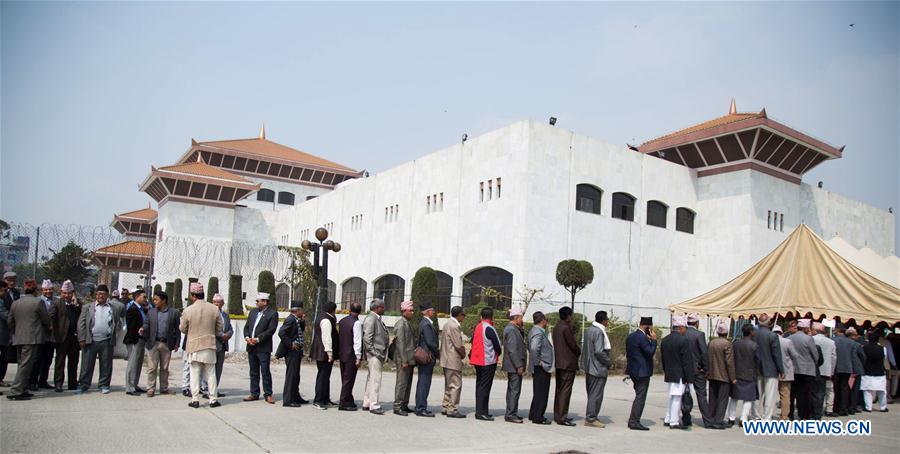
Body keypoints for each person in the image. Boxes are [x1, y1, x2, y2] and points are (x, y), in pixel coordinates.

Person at [5, 279, 51, 400]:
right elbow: (46, 320)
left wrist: (16, 331)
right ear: (36, 290)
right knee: (26, 365)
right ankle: (16, 390)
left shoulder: (16, 303)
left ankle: (23, 388)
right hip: (32, 338)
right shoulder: (38, 302)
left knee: (22, 364)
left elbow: (10, 321)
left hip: (19, 337)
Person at [179, 282, 223, 408]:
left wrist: (192, 331)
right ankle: (213, 399)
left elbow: (182, 328)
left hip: (194, 345)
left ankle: (195, 399)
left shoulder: (188, 310)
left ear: (193, 295)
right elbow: (219, 328)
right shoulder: (214, 309)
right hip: (209, 345)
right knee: (211, 373)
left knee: (194, 372)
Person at [76, 284, 124, 394]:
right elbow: (81, 324)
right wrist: (82, 338)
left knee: (106, 364)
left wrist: (114, 334)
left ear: (107, 295)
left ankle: (104, 384)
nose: (100, 296)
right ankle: (84, 384)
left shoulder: (113, 308)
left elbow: (117, 323)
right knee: (86, 365)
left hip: (106, 340)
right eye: (98, 294)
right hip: (90, 340)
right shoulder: (87, 307)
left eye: (103, 294)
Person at [142, 290, 180, 397]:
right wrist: (142, 329)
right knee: (152, 368)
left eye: (156, 299)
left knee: (164, 368)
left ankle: (164, 388)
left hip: (166, 344)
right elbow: (146, 324)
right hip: (153, 343)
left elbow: (177, 329)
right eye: (154, 299)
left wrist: (177, 343)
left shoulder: (173, 313)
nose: (154, 301)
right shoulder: (151, 312)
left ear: (164, 300)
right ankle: (150, 388)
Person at [243, 293, 278, 404]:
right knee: (253, 371)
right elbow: (247, 326)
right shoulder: (253, 312)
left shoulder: (272, 314)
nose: (256, 303)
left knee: (265, 371)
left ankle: (268, 394)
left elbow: (271, 330)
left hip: (263, 347)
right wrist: (247, 337)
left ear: (265, 302)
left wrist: (258, 339)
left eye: (258, 301)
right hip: (251, 346)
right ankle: (254, 393)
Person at [470, 306, 502, 421]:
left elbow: (472, 342)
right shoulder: (489, 328)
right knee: (485, 388)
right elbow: (497, 346)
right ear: (492, 316)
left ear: (481, 316)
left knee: (479, 386)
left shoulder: (478, 326)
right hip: (487, 361)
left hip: (477, 360)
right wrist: (498, 353)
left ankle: (481, 411)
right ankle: (481, 412)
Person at [625, 316, 657, 431]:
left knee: (638, 395)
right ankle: (634, 421)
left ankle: (633, 420)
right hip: (642, 372)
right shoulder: (642, 338)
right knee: (640, 397)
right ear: (648, 327)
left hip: (633, 370)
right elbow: (649, 352)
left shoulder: (631, 337)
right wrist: (653, 340)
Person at [661, 315, 693, 430]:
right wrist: (689, 378)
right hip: (679, 373)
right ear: (680, 327)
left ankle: (668, 418)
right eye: (685, 327)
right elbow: (686, 361)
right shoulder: (683, 340)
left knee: (672, 396)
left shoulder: (665, 340)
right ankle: (674, 421)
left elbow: (663, 359)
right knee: (677, 398)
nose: (685, 330)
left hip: (669, 372)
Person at [50, 280, 81, 392]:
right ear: (61, 293)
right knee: (60, 361)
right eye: (64, 293)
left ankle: (73, 383)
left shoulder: (77, 304)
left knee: (73, 362)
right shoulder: (57, 303)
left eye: (69, 293)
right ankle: (58, 383)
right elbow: (52, 317)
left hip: (74, 338)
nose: (67, 295)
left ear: (73, 293)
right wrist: (54, 333)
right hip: (61, 337)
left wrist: (76, 303)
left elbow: (81, 315)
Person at [751, 314, 784, 421]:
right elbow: (776, 354)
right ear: (769, 323)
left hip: (756, 368)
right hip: (771, 369)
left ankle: (756, 415)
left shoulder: (753, 335)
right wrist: (781, 369)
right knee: (770, 395)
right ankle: (767, 417)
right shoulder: (772, 336)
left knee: (757, 395)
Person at [582, 310, 612, 428]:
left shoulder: (589, 330)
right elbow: (599, 351)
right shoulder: (599, 332)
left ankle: (592, 415)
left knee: (592, 393)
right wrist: (608, 362)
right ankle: (591, 418)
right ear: (604, 321)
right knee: (596, 394)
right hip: (598, 368)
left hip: (589, 366)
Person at [681, 313, 711, 428]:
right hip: (698, 369)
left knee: (685, 394)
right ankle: (707, 421)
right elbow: (704, 353)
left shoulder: (683, 334)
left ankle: (686, 418)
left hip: (685, 369)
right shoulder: (699, 335)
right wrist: (706, 368)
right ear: (697, 323)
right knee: (701, 395)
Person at [552, 306, 580, 427]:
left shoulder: (557, 327)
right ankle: (562, 417)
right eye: (571, 315)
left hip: (559, 363)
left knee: (559, 390)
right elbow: (573, 345)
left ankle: (558, 414)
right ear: (568, 316)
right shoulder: (565, 328)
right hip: (568, 363)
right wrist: (578, 351)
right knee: (565, 391)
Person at [789, 319, 820, 419]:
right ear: (806, 328)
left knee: (793, 392)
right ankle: (804, 414)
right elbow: (815, 354)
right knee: (806, 393)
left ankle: (791, 413)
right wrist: (815, 362)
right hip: (807, 370)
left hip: (794, 369)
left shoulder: (790, 338)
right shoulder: (808, 339)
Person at [730, 324, 760, 427]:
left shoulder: (735, 344)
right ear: (751, 332)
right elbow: (758, 361)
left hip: (737, 373)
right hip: (750, 374)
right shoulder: (754, 345)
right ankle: (743, 418)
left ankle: (731, 417)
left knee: (734, 397)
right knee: (748, 398)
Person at [362, 299, 388, 415]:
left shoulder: (376, 318)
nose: (384, 309)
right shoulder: (371, 319)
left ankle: (367, 402)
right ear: (377, 308)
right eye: (383, 307)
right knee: (375, 380)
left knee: (371, 378)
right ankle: (374, 405)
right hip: (375, 354)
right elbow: (367, 338)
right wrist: (375, 352)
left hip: (376, 353)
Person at [440, 305, 466, 418]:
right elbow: (458, 344)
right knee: (456, 385)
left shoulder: (446, 324)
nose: (464, 317)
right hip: (452, 359)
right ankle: (452, 409)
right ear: (459, 315)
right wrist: (463, 354)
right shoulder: (455, 326)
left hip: (445, 358)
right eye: (463, 315)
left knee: (448, 384)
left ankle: (446, 406)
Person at [706, 321, 734, 429]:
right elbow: (729, 363)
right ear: (726, 334)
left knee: (713, 398)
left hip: (712, 374)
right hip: (723, 375)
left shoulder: (711, 343)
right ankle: (719, 420)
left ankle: (711, 418)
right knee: (723, 399)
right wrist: (733, 377)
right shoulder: (727, 344)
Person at [311, 301, 338, 410]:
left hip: (322, 350)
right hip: (323, 352)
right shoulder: (326, 320)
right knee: (322, 376)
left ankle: (325, 399)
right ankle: (318, 400)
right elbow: (326, 337)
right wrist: (330, 353)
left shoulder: (322, 316)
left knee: (326, 376)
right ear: (333, 310)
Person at [528, 311, 554, 425]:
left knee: (538, 392)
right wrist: (540, 362)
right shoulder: (538, 332)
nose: (547, 322)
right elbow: (534, 348)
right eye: (546, 320)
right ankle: (538, 417)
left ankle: (534, 413)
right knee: (542, 393)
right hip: (541, 367)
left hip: (538, 366)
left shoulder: (535, 331)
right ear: (543, 320)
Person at [278, 301, 305, 407]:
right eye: (301, 310)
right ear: (297, 310)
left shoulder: (297, 319)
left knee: (296, 375)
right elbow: (281, 332)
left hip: (298, 350)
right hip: (291, 351)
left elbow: (299, 331)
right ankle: (288, 400)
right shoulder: (290, 319)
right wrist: (290, 344)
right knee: (291, 375)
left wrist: (303, 321)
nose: (303, 312)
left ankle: (296, 396)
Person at [414, 302, 439, 417]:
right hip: (427, 357)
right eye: (432, 310)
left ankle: (420, 406)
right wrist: (438, 353)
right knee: (424, 382)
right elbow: (430, 342)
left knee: (423, 382)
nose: (434, 312)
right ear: (427, 312)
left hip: (426, 356)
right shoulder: (426, 324)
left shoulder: (426, 323)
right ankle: (420, 408)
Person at [502, 307, 526, 424]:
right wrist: (518, 365)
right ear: (516, 317)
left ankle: (511, 412)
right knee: (514, 390)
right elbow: (512, 350)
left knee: (513, 390)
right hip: (514, 365)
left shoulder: (515, 328)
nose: (522, 320)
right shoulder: (511, 330)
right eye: (521, 317)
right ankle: (511, 414)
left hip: (513, 365)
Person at [30, 280, 55, 391]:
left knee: (48, 360)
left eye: (50, 289)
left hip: (51, 336)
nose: (48, 291)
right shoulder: (37, 301)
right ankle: (33, 382)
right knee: (37, 360)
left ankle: (43, 381)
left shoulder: (56, 301)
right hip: (40, 335)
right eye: (46, 290)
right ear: (42, 290)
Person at [338, 302, 363, 411]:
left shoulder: (342, 321)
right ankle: (343, 402)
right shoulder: (356, 323)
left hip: (342, 353)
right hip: (351, 354)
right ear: (360, 312)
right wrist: (358, 357)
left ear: (349, 310)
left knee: (345, 378)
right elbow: (357, 341)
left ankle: (349, 399)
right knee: (349, 380)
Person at [392, 301, 416, 416]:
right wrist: (404, 360)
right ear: (404, 311)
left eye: (412, 310)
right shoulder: (401, 324)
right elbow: (400, 343)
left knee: (408, 382)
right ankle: (397, 406)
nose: (412, 312)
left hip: (409, 358)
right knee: (401, 383)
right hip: (404, 359)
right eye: (410, 310)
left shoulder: (407, 322)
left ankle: (404, 405)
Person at [124, 289, 149, 395]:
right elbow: (131, 327)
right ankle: (129, 387)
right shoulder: (132, 309)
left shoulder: (141, 309)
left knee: (138, 364)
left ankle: (134, 384)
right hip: (135, 340)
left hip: (141, 340)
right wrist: (136, 338)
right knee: (132, 363)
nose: (145, 299)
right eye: (143, 297)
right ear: (137, 297)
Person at [811, 321, 836, 419]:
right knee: (821, 392)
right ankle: (818, 414)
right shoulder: (831, 342)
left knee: (812, 392)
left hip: (812, 370)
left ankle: (812, 412)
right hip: (825, 370)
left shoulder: (811, 339)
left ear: (816, 331)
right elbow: (833, 358)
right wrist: (831, 371)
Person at [773, 325, 797, 420]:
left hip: (772, 372)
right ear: (781, 333)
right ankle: (784, 416)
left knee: (768, 394)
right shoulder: (787, 342)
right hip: (786, 372)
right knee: (785, 395)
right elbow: (794, 355)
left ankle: (765, 415)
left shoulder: (770, 342)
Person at [861, 331, 888, 412]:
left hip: (867, 371)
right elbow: (884, 358)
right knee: (882, 390)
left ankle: (868, 407)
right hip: (879, 371)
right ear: (878, 339)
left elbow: (862, 358)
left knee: (867, 390)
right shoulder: (883, 349)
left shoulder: (864, 348)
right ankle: (883, 407)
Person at [833, 325, 857, 416]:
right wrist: (854, 369)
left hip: (836, 367)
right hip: (847, 367)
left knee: (836, 388)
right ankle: (843, 408)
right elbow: (854, 357)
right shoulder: (851, 342)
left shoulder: (833, 340)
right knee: (844, 388)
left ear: (838, 330)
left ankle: (835, 408)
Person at [212, 294, 233, 394]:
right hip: (213, 344)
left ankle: (214, 389)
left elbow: (230, 328)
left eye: (218, 302)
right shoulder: (210, 314)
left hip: (223, 345)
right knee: (209, 368)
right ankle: (207, 389)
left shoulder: (225, 315)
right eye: (214, 302)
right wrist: (221, 335)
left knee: (218, 369)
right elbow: (210, 328)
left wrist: (228, 335)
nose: (216, 304)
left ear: (222, 303)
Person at [847, 327, 866, 414]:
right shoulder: (857, 345)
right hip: (856, 370)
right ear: (853, 336)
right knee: (855, 389)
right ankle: (852, 407)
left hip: (846, 369)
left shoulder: (843, 343)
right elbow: (863, 357)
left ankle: (845, 405)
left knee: (846, 388)